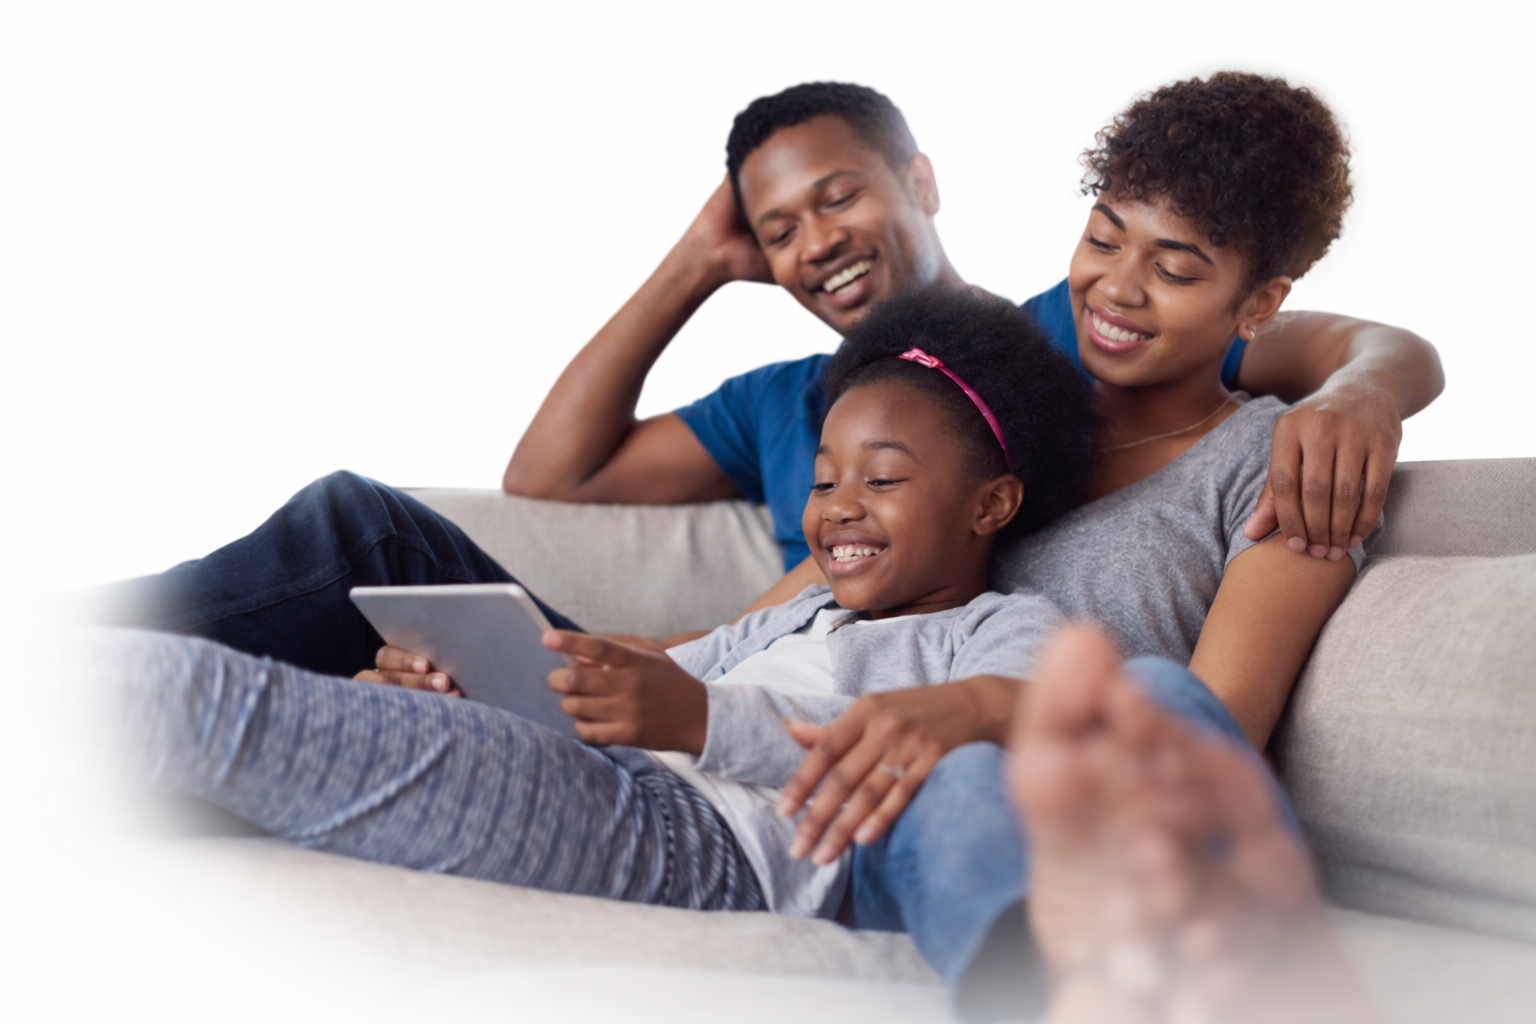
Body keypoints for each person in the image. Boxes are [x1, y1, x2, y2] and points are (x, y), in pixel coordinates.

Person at [86, 288, 1095, 923]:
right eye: (825, 479)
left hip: (708, 845)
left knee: (205, 705)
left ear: (991, 504)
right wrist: (480, 678)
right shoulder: (796, 619)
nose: (836, 508)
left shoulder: (1000, 629)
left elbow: (987, 727)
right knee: (233, 743)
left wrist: (695, 718)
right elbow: (649, 682)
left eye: (882, 479)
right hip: (621, 775)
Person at [750, 71, 1377, 1019]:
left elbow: (1214, 736)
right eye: (1103, 237)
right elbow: (780, 621)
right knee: (953, 779)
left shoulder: (1274, 464)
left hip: (1094, 806)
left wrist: (980, 711)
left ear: (1260, 303)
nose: (1115, 288)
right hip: (894, 803)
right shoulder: (1003, 424)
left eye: (1175, 268)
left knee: (1133, 704)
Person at [503, 80, 1443, 574]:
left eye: (838, 198)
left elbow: (1367, 346)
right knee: (361, 523)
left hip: (875, 723)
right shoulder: (778, 401)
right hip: (768, 680)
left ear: (920, 183)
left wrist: (1363, 395)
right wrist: (695, 263)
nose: (819, 242)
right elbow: (550, 477)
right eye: (779, 230)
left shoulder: (1082, 339)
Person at [1010, 625, 1378, 1024]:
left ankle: (1101, 971)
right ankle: (1100, 968)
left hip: (1141, 752)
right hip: (1045, 802)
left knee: (1155, 683)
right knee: (962, 778)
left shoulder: (1001, 620)